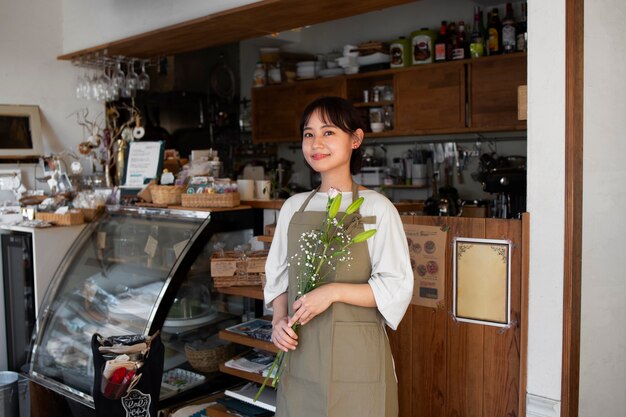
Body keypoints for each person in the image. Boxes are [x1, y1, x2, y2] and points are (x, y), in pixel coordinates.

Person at [264, 96, 413, 417]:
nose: (316, 143)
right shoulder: (293, 207)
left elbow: (395, 286)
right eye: (308, 134)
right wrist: (278, 320)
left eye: (328, 132)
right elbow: (277, 276)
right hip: (301, 353)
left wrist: (331, 293)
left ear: (356, 139)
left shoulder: (377, 207)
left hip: (359, 358)